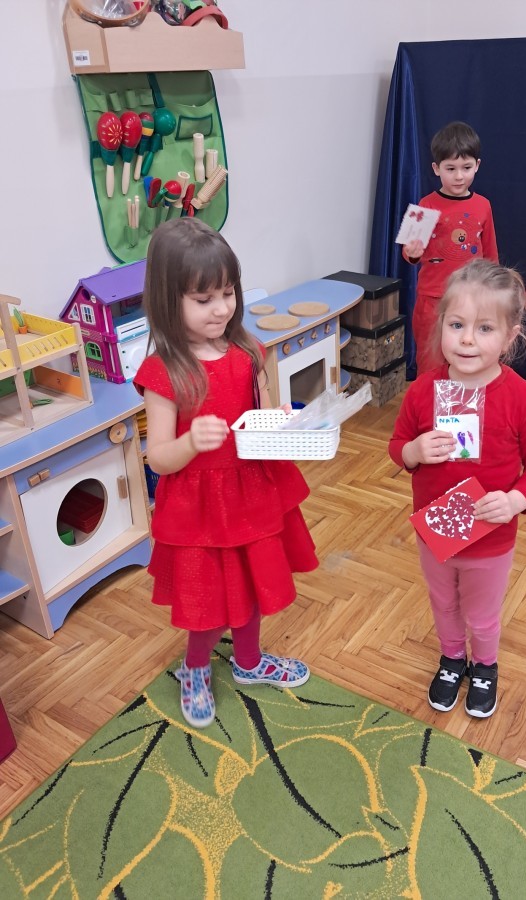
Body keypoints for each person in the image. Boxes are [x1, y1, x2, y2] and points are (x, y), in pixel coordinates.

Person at [134, 219, 318, 729]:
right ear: (168, 300)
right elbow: (158, 458)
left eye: (228, 293)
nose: (220, 309)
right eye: (203, 299)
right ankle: (195, 668)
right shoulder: (165, 372)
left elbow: (265, 412)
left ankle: (249, 661)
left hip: (253, 490)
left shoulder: (249, 351)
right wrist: (191, 442)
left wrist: (288, 422)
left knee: (254, 584)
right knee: (209, 601)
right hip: (200, 509)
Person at [389, 259, 526, 719]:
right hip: (436, 532)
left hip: (491, 537)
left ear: (510, 337)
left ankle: (484, 665)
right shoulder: (422, 391)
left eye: (484, 328)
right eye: (457, 324)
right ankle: (451, 659)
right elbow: (398, 448)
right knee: (443, 602)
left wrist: (516, 499)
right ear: (440, 323)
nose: (466, 339)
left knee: (482, 615)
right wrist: (414, 450)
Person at [402, 121, 498, 376]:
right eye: (451, 168)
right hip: (432, 298)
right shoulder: (425, 204)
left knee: (468, 357)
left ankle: (463, 400)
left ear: (477, 165)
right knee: (430, 360)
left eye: (466, 167)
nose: (459, 176)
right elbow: (409, 251)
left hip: (472, 297)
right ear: (436, 168)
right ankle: (430, 402)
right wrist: (412, 253)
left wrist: (493, 290)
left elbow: (490, 254)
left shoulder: (483, 205)